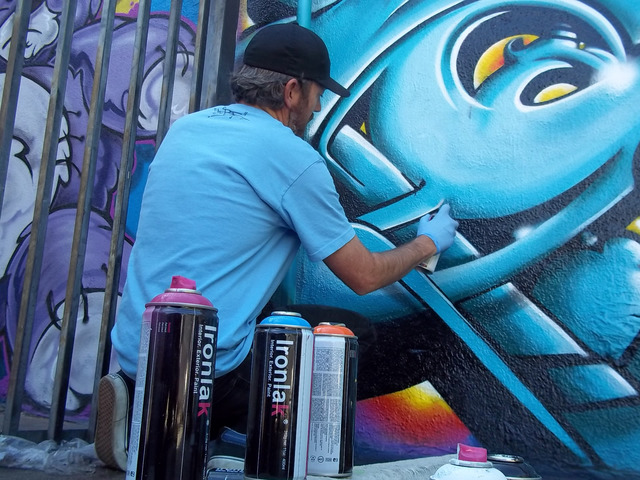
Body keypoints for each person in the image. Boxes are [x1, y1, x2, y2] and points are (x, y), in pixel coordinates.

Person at [94, 22, 459, 471]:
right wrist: (427, 243)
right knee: (349, 336)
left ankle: (147, 411)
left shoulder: (186, 130)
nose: (318, 106)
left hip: (144, 351)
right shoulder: (291, 156)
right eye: (317, 93)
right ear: (291, 91)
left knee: (259, 316)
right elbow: (363, 276)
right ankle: (241, 436)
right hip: (211, 370)